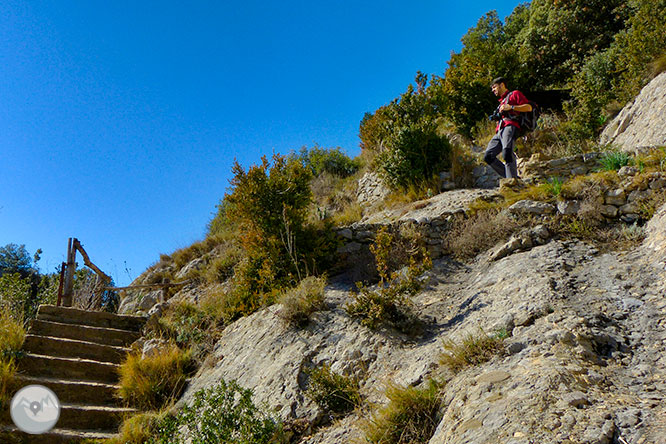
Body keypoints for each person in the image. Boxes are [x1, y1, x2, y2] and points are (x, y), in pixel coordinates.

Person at [484, 77, 532, 179]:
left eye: (494, 87)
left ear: (502, 85)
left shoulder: (515, 94)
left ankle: (512, 182)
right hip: (499, 131)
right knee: (488, 156)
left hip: (511, 126)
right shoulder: (501, 103)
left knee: (507, 152)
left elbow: (529, 107)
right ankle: (512, 178)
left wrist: (512, 107)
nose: (493, 90)